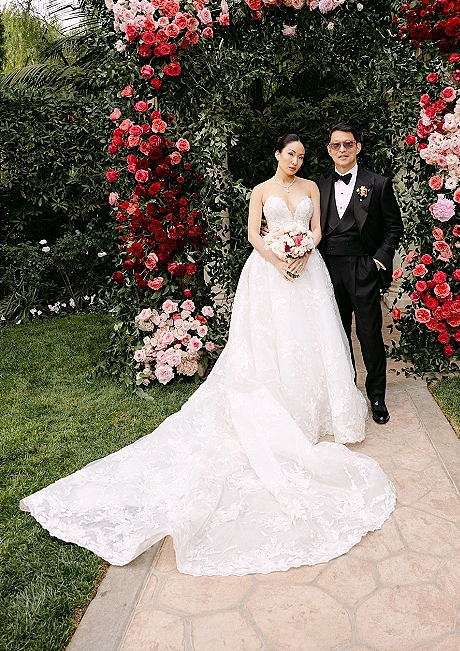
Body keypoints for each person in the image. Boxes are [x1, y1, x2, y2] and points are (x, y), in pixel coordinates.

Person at [20, 133, 396, 577]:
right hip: (271, 272)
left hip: (309, 269)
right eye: (290, 154)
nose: (296, 160)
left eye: (301, 155)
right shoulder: (261, 190)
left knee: (321, 337)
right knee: (273, 340)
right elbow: (255, 234)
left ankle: (344, 400)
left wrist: (304, 252)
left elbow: (315, 229)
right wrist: (279, 259)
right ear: (277, 155)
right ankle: (283, 401)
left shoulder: (313, 187)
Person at [315, 123, 404, 425]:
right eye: (336, 145)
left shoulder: (378, 183)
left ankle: (377, 396)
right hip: (327, 270)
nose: (342, 150)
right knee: (336, 335)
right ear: (329, 150)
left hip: (363, 268)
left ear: (358, 147)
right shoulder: (318, 184)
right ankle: (345, 392)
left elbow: (394, 228)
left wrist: (378, 261)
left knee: (368, 335)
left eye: (348, 144)